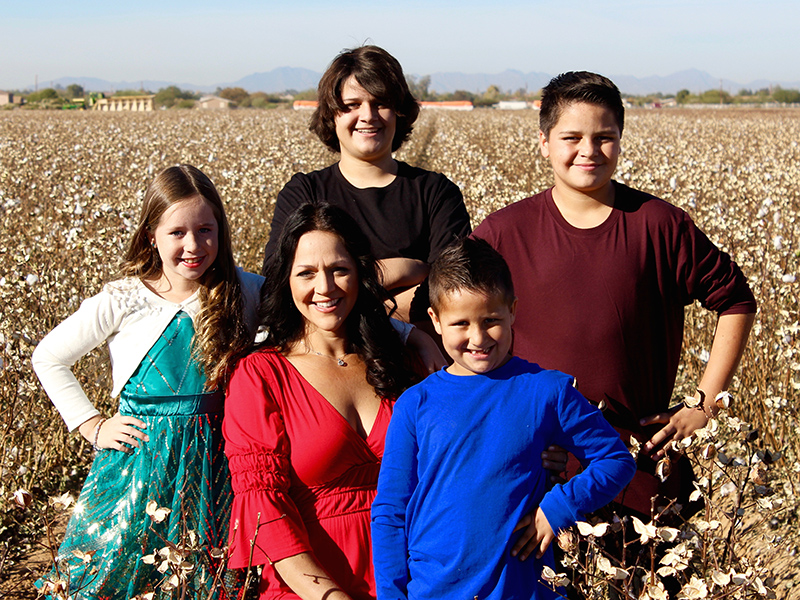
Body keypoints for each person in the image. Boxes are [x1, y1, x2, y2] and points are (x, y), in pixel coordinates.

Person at [472, 71, 757, 520]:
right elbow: (455, 323)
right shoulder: (503, 233)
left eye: (604, 137)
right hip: (532, 468)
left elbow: (736, 300)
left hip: (637, 468)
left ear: (621, 140)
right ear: (544, 142)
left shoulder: (659, 225)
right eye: (572, 137)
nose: (588, 151)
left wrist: (704, 404)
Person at [32, 165, 263, 599]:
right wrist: (92, 424)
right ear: (150, 235)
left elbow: (312, 318)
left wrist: (408, 334)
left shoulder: (245, 290)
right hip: (138, 458)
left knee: (207, 571)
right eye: (177, 232)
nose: (193, 245)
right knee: (118, 560)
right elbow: (48, 356)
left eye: (205, 230)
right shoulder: (124, 298)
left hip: (218, 458)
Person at [371, 237, 636, 600]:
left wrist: (557, 508)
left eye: (491, 320)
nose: (478, 338)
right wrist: (390, 593)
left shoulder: (547, 390)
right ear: (435, 320)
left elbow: (615, 460)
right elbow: (390, 511)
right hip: (431, 590)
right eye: (460, 323)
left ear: (513, 310)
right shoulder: (415, 403)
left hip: (522, 589)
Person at [223, 203, 420, 600]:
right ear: (286, 281)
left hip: (413, 574)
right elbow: (264, 509)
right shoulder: (260, 376)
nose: (325, 287)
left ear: (361, 274)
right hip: (311, 586)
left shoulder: (400, 360)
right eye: (307, 273)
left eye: (339, 269)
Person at [264, 45, 472, 323]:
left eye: (381, 103)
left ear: (399, 113)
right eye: (352, 105)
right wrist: (401, 270)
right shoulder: (304, 193)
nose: (368, 116)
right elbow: (278, 286)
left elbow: (452, 294)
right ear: (332, 115)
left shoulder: (435, 192)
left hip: (414, 362)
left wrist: (342, 304)